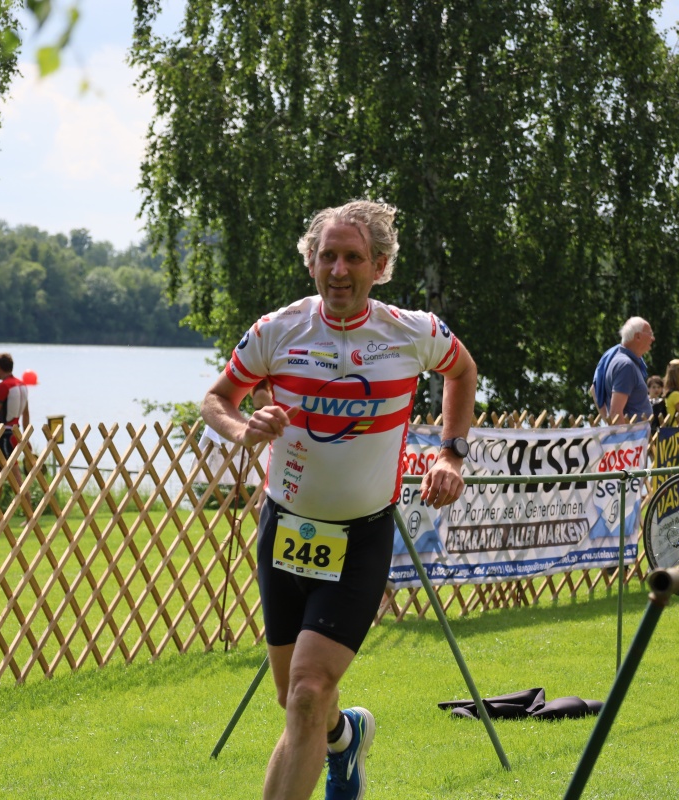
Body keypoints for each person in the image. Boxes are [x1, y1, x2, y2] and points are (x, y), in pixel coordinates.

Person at [201, 200, 476, 800]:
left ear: (380, 266)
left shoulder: (412, 331)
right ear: (311, 262)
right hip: (284, 529)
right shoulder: (277, 330)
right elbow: (217, 399)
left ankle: (333, 740)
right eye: (328, 256)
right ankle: (344, 739)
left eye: (354, 257)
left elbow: (461, 371)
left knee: (306, 692)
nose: (339, 270)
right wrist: (244, 427)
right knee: (295, 698)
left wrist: (451, 454)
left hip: (360, 537)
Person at [591, 317, 654, 422]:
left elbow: (594, 389)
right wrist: (621, 432)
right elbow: (616, 413)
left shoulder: (621, 360)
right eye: (650, 334)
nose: (652, 338)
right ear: (638, 336)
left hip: (637, 431)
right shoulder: (626, 365)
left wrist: (607, 421)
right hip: (633, 432)